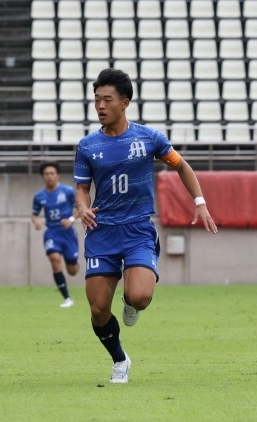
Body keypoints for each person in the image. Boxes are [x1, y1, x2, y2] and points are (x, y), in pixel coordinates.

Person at [74, 68, 217, 384]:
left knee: (139, 297)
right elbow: (82, 188)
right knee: (98, 309)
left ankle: (129, 300)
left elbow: (181, 166)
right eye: (96, 99)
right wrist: (82, 208)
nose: (99, 105)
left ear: (124, 103)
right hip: (102, 231)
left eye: (106, 99)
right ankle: (120, 360)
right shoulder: (87, 146)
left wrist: (199, 202)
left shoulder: (148, 138)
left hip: (138, 228)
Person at [31, 162, 80, 308]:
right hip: (51, 232)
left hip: (68, 233)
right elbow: (34, 214)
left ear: (57, 175)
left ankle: (74, 262)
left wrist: (71, 220)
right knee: (54, 258)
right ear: (43, 176)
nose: (49, 177)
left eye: (52, 173)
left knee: (72, 271)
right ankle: (67, 298)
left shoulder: (68, 191)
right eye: (46, 174)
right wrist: (37, 222)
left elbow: (80, 208)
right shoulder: (39, 196)